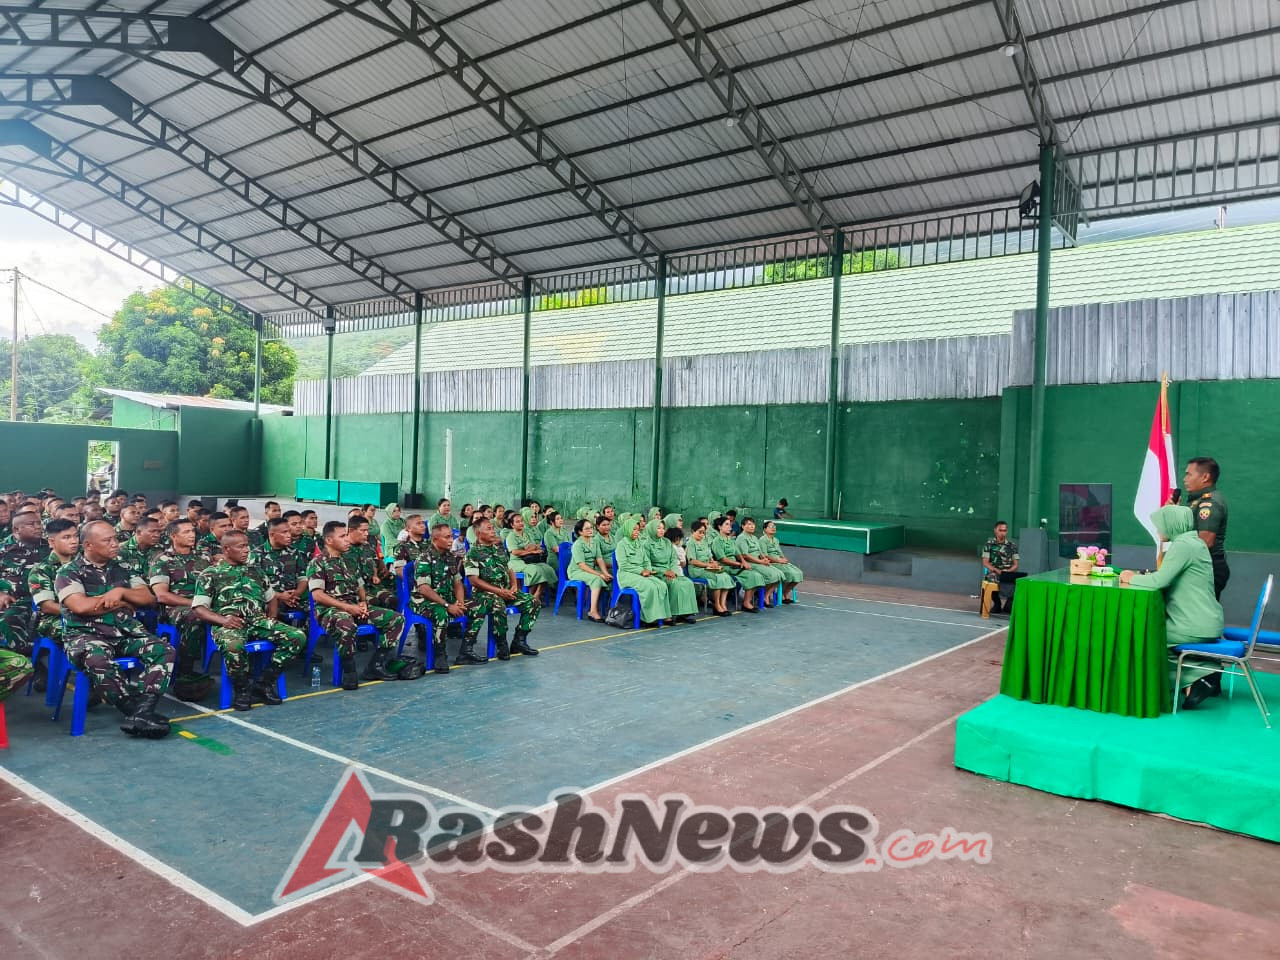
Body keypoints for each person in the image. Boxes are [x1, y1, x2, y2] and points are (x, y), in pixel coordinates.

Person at [57, 520, 174, 738]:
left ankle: (143, 710)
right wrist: (121, 603)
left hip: (125, 633)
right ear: (89, 545)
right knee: (97, 660)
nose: (115, 544)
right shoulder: (69, 572)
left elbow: (148, 598)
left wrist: (120, 593)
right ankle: (132, 709)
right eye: (107, 540)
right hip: (87, 635)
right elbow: (80, 606)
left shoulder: (123, 568)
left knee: (163, 650)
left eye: (115, 538)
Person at [1120, 505, 1225, 709]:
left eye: (1161, 526)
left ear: (1172, 524)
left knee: (1147, 638)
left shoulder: (1183, 545)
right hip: (1207, 620)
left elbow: (1160, 581)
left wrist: (1130, 577)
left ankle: (1204, 673)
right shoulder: (1195, 542)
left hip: (1193, 624)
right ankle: (1194, 682)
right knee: (1154, 639)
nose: (1159, 531)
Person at [192, 531, 307, 712]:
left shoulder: (256, 571)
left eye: (247, 546)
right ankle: (242, 689)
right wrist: (223, 620)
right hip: (228, 622)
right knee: (234, 646)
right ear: (227, 549)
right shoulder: (210, 574)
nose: (247, 550)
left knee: (297, 636)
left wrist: (271, 618)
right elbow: (199, 609)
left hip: (257, 620)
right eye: (241, 547)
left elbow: (271, 599)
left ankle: (264, 682)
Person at [307, 521, 405, 689]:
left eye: (346, 535)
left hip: (354, 607)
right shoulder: (318, 563)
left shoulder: (348, 561)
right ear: (329, 540)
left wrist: (363, 602)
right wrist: (347, 607)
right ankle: (349, 671)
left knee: (396, 619)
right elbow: (318, 595)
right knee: (347, 625)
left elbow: (360, 586)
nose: (347, 540)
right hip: (331, 611)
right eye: (342, 536)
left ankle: (376, 665)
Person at [149, 518, 214, 701]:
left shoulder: (203, 557)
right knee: (195, 616)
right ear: (173, 536)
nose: (192, 535)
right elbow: (162, 595)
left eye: (192, 531)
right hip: (176, 608)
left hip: (205, 603)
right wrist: (195, 603)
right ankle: (186, 668)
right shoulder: (162, 560)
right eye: (186, 532)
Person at [410, 521, 486, 670]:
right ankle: (440, 654)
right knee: (441, 613)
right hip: (424, 600)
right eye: (447, 537)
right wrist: (447, 605)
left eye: (451, 536)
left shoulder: (450, 557)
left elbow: (457, 582)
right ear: (435, 539)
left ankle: (466, 651)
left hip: (447, 597)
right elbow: (424, 589)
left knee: (479, 608)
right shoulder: (424, 558)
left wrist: (460, 602)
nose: (451, 540)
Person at [464, 517, 540, 659]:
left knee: (533, 601)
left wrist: (514, 586)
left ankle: (519, 641)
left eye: (493, 528)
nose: (493, 531)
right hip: (484, 594)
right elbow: (474, 581)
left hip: (505, 591)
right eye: (488, 528)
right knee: (498, 604)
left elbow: (509, 568)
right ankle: (501, 643)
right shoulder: (473, 553)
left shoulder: (498, 548)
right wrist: (499, 591)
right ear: (479, 533)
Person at [28, 517, 80, 654]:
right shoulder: (42, 570)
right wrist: (81, 611)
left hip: (87, 614)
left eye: (75, 536)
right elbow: (47, 606)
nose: (74, 541)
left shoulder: (84, 563)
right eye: (66, 537)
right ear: (51, 542)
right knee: (83, 633)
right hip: (55, 619)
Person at [0, 510, 47, 654]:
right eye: (31, 524)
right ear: (16, 529)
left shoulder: (50, 547)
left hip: (40, 600)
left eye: (39, 523)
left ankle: (30, 660)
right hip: (10, 600)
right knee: (7, 619)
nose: (38, 527)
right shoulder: (3, 549)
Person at [1183, 457, 1229, 600]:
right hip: (1200, 566)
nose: (1185, 479)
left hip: (1207, 568)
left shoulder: (1209, 502)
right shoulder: (1198, 500)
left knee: (1198, 617)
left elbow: (1205, 542)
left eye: (1189, 474)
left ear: (1205, 477)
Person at [615, 516, 670, 627]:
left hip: (642, 573)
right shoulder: (621, 545)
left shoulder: (639, 544)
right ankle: (647, 618)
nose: (636, 532)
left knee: (662, 585)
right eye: (633, 529)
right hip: (627, 575)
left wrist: (648, 570)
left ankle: (663, 616)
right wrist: (641, 571)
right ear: (627, 530)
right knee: (649, 586)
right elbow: (623, 565)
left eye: (638, 529)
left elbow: (646, 560)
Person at [644, 519, 698, 624]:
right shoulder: (646, 544)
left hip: (671, 572)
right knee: (675, 584)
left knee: (688, 583)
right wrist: (664, 572)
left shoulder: (667, 542)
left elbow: (673, 559)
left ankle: (685, 613)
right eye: (658, 528)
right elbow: (647, 564)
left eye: (663, 528)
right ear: (651, 529)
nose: (661, 530)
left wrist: (673, 571)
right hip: (657, 574)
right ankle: (670, 614)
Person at [712, 515, 764, 611]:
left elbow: (738, 553)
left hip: (736, 566)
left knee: (757, 576)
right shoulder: (717, 541)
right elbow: (723, 559)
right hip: (726, 567)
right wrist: (738, 564)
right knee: (751, 576)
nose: (730, 527)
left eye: (730, 525)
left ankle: (746, 602)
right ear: (720, 527)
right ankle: (743, 603)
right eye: (726, 525)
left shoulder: (731, 540)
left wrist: (743, 561)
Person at [506, 509, 557, 603]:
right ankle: (528, 596)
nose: (521, 523)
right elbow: (515, 552)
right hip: (516, 562)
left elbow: (535, 546)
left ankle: (535, 596)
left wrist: (532, 549)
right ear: (512, 525)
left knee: (547, 569)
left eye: (521, 521)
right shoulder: (511, 536)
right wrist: (530, 551)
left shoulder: (527, 534)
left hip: (530, 560)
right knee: (536, 570)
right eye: (518, 522)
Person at [347, 515, 396, 611]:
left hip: (372, 585)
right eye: (363, 530)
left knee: (392, 600)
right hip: (355, 589)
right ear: (351, 530)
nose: (366, 534)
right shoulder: (344, 548)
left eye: (367, 530)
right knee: (373, 602)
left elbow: (374, 562)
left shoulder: (367, 546)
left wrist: (375, 574)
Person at [686, 519, 733, 616]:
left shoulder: (704, 542)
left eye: (703, 532)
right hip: (697, 570)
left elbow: (709, 556)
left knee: (725, 576)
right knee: (717, 578)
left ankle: (722, 604)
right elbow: (693, 561)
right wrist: (708, 565)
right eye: (699, 532)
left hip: (708, 568)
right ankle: (717, 606)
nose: (702, 535)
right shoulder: (690, 543)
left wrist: (713, 562)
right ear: (693, 531)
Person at [569, 518, 612, 621]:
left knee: (608, 577)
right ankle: (593, 611)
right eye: (587, 529)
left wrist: (605, 573)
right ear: (580, 532)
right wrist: (599, 574)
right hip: (577, 572)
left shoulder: (594, 541)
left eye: (591, 528)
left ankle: (608, 609)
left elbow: (599, 559)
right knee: (596, 579)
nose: (590, 530)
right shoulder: (577, 545)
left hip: (589, 570)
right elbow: (582, 565)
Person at [735, 517, 784, 604]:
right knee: (771, 575)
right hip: (751, 563)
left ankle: (765, 596)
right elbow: (745, 555)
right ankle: (759, 596)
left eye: (753, 524)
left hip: (759, 562)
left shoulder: (754, 538)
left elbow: (760, 552)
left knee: (779, 574)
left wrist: (764, 559)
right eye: (749, 524)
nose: (752, 526)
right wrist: (761, 562)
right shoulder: (741, 538)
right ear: (743, 526)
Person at [981, 520, 1024, 615]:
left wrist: (1008, 571)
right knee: (991, 579)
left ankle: (1009, 604)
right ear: (995, 530)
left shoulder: (1012, 546)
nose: (1002, 533)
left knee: (1020, 581)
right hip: (995, 572)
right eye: (1000, 530)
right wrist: (997, 570)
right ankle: (997, 604)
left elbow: (1016, 564)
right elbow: (985, 562)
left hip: (1009, 572)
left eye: (1004, 530)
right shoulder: (989, 545)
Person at [760, 521, 803, 603]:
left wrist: (784, 559)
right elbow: (765, 555)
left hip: (780, 561)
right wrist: (778, 560)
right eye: (771, 526)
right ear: (765, 529)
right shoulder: (762, 540)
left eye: (774, 526)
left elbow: (780, 552)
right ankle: (774, 595)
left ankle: (785, 593)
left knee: (798, 573)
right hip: (772, 563)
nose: (773, 528)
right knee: (790, 573)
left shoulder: (776, 540)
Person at [117, 515, 164, 582]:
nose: (157, 535)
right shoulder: (121, 550)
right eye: (152, 531)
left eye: (159, 532)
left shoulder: (161, 549)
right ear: (139, 532)